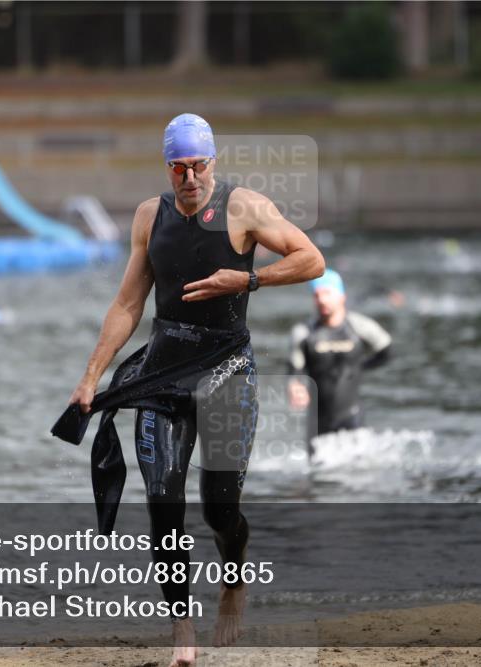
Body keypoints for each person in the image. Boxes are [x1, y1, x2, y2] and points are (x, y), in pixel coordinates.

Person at [63, 113, 324, 667]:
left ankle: (233, 577)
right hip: (163, 374)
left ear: (213, 162)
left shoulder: (244, 208)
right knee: (163, 502)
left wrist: (248, 278)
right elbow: (128, 305)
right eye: (178, 167)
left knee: (219, 508)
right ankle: (182, 625)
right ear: (168, 166)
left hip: (228, 368)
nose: (188, 177)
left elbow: (311, 259)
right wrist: (91, 376)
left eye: (197, 166)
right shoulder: (148, 216)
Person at [287, 269, 392, 455]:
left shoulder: (360, 326)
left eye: (327, 293)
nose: (322, 300)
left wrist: (361, 366)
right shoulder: (303, 332)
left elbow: (386, 352)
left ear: (341, 296)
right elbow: (294, 369)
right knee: (317, 478)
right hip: (318, 422)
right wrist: (296, 387)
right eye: (317, 295)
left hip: (352, 418)